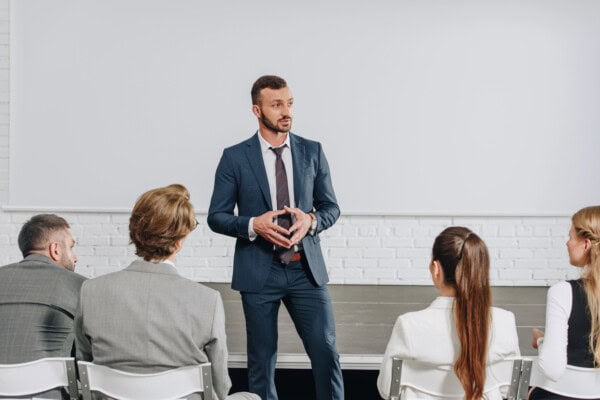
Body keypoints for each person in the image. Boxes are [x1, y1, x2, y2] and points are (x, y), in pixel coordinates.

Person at [208, 75, 343, 400]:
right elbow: (216, 216)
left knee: (327, 354)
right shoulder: (234, 158)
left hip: (304, 270)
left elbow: (331, 208)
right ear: (257, 110)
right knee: (261, 363)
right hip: (259, 272)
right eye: (277, 104)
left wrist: (310, 221)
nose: (286, 111)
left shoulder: (312, 151)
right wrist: (255, 224)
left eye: (290, 103)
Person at [74, 184, 258, 400]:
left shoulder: (91, 291)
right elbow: (220, 387)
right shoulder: (207, 300)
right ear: (180, 241)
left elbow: (84, 365)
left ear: (133, 230)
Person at [377, 226, 520, 400]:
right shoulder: (505, 322)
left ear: (436, 269)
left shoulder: (408, 325)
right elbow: (508, 389)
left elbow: (387, 389)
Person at [0, 213, 86, 399]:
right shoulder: (81, 287)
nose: (75, 257)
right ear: (55, 249)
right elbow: (88, 361)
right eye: (71, 247)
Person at [529, 206, 600, 400]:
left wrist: (542, 341)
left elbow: (552, 369)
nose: (567, 243)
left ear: (586, 244)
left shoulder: (563, 293)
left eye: (570, 237)